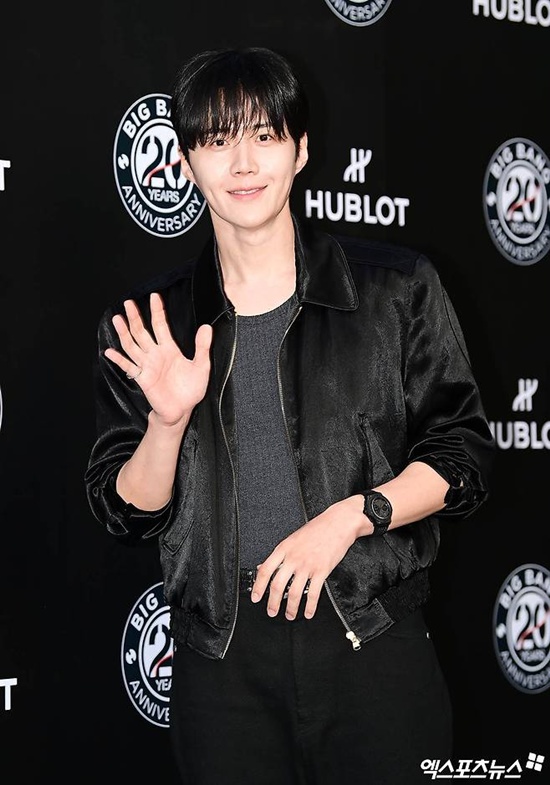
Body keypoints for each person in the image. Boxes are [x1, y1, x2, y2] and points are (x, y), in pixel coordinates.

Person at [85, 46, 495, 785]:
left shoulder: (396, 289)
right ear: (186, 162)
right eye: (217, 140)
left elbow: (461, 457)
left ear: (301, 150)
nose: (243, 163)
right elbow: (126, 513)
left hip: (373, 641)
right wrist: (167, 423)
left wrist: (351, 517)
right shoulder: (152, 322)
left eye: (265, 136)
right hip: (222, 669)